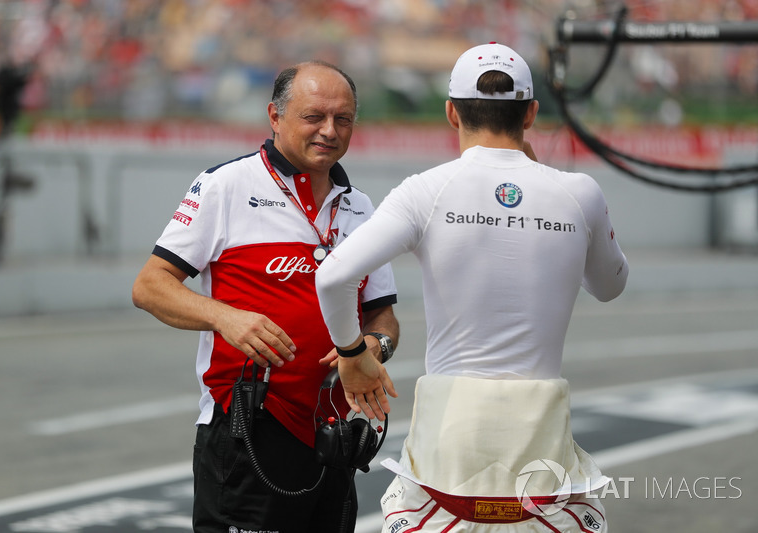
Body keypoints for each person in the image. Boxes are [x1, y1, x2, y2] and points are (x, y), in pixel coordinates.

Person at [315, 42, 628, 532]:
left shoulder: (426, 189)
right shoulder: (579, 192)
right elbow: (610, 286)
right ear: (530, 114)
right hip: (539, 441)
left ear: (451, 113)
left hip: (449, 441)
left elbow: (333, 276)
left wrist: (353, 356)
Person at [132, 60, 399, 533]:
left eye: (343, 119)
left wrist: (375, 348)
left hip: (335, 432)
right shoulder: (226, 185)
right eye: (313, 116)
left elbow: (382, 314)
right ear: (274, 117)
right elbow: (151, 286)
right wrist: (226, 318)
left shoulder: (361, 206)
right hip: (248, 427)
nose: (329, 131)